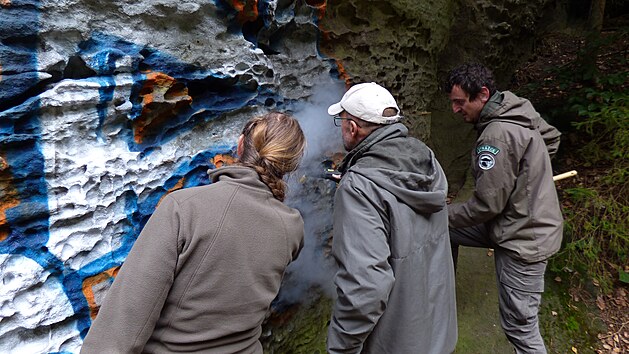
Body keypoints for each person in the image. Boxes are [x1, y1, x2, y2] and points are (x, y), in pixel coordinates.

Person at [81, 112, 306, 353]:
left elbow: (125, 318)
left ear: (240, 145)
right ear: (289, 164)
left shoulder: (185, 207)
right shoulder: (292, 227)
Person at [325, 82, 457, 354]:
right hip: (437, 331)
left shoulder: (360, 188)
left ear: (352, 127)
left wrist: (341, 348)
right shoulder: (425, 159)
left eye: (341, 121)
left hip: (398, 340)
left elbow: (365, 287)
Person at [443, 63, 563, 354]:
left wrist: (442, 212)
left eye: (460, 103)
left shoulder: (495, 135)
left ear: (482, 94)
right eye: (453, 103)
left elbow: (487, 205)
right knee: (444, 230)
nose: (456, 110)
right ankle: (442, 299)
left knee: (520, 328)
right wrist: (525, 175)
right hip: (515, 222)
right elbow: (552, 138)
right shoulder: (517, 108)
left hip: (523, 240)